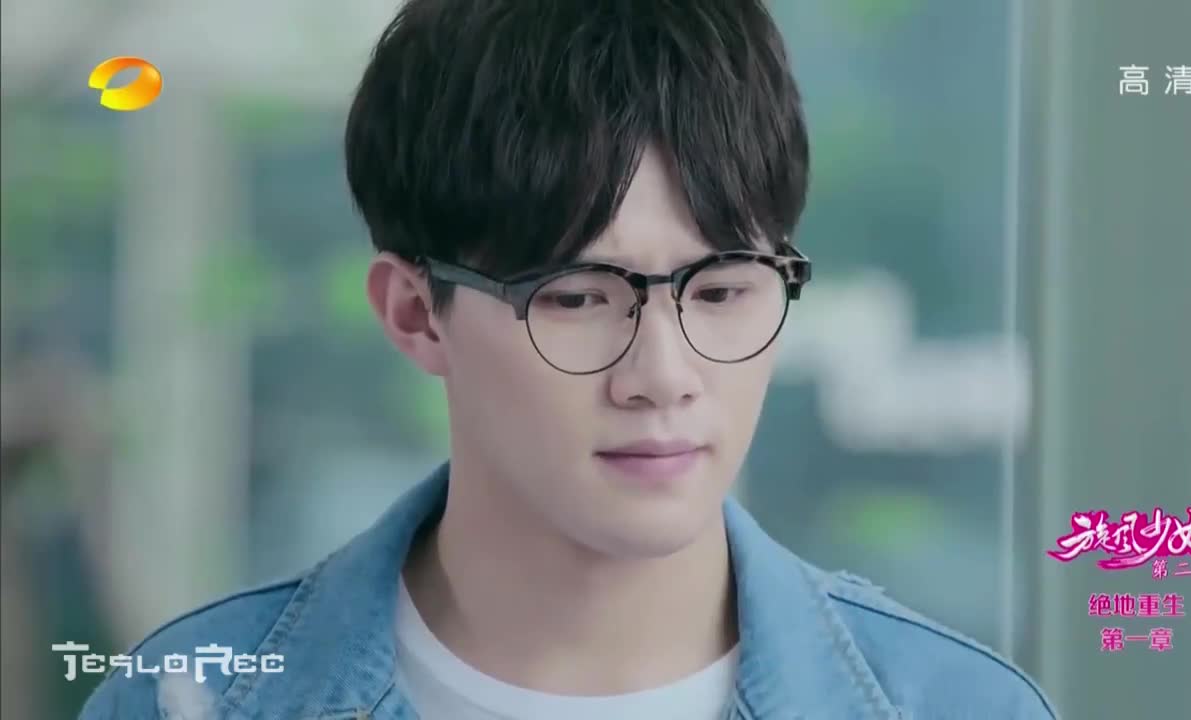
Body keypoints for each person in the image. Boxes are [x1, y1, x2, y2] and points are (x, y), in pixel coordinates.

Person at [80, 1, 1057, 718]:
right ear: (416, 314)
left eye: (721, 292)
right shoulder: (185, 700)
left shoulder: (955, 707)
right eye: (580, 299)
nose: (663, 376)